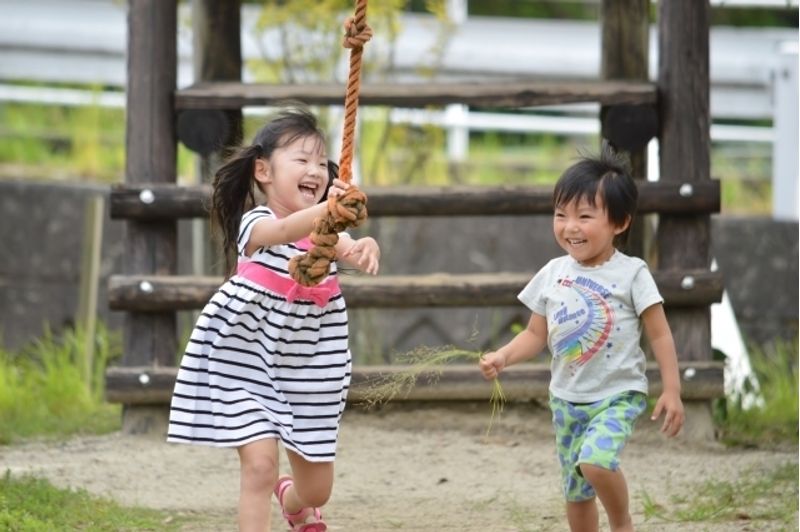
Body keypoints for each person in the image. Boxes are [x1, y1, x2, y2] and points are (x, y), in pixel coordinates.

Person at [167, 107, 380, 532]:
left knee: (317, 490)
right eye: (301, 160)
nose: (315, 171)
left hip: (309, 365)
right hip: (245, 360)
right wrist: (330, 213)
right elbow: (284, 234)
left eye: (321, 163)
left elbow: (346, 244)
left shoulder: (327, 234)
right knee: (259, 468)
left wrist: (364, 244)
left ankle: (296, 503)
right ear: (263, 171)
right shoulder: (258, 222)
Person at [479, 142, 684, 532]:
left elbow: (660, 334)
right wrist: (504, 356)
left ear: (620, 223)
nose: (570, 226)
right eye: (561, 214)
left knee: (596, 462)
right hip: (567, 399)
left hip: (616, 394)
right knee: (575, 491)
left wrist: (671, 389)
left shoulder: (632, 273)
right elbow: (536, 333)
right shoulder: (553, 272)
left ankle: (621, 522)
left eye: (585, 216)